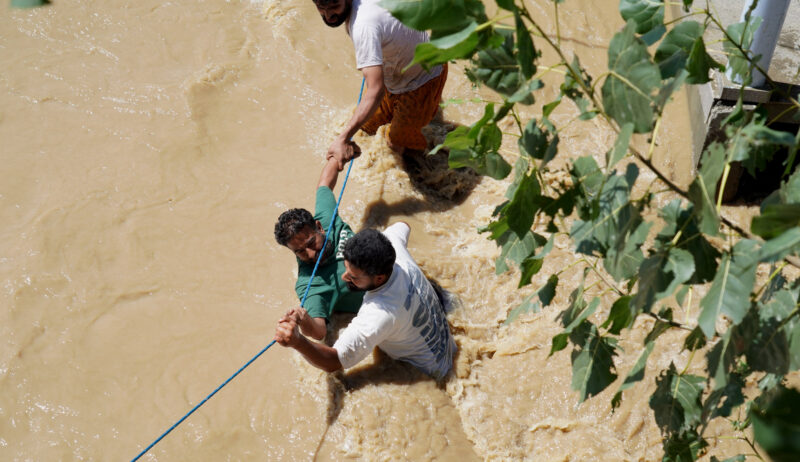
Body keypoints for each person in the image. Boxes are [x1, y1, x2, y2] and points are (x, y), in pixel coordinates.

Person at [274, 223, 457, 380]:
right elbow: (403, 225)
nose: (345, 278)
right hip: (449, 346)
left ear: (379, 278)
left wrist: (298, 342)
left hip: (433, 373)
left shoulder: (380, 313)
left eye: (354, 277)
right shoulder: (394, 246)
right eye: (346, 269)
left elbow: (332, 362)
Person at [312, 0, 449, 167]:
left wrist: (343, 138)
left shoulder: (363, 27)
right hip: (395, 72)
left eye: (334, 6)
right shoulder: (362, 18)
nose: (328, 15)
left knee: (395, 144)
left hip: (423, 79)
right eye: (321, 8)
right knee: (368, 128)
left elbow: (375, 91)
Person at [273, 145, 364, 341]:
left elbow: (324, 185)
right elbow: (319, 331)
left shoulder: (326, 217)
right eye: (300, 252)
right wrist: (302, 319)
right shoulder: (311, 285)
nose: (311, 254)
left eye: (311, 242)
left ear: (319, 227)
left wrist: (337, 157)